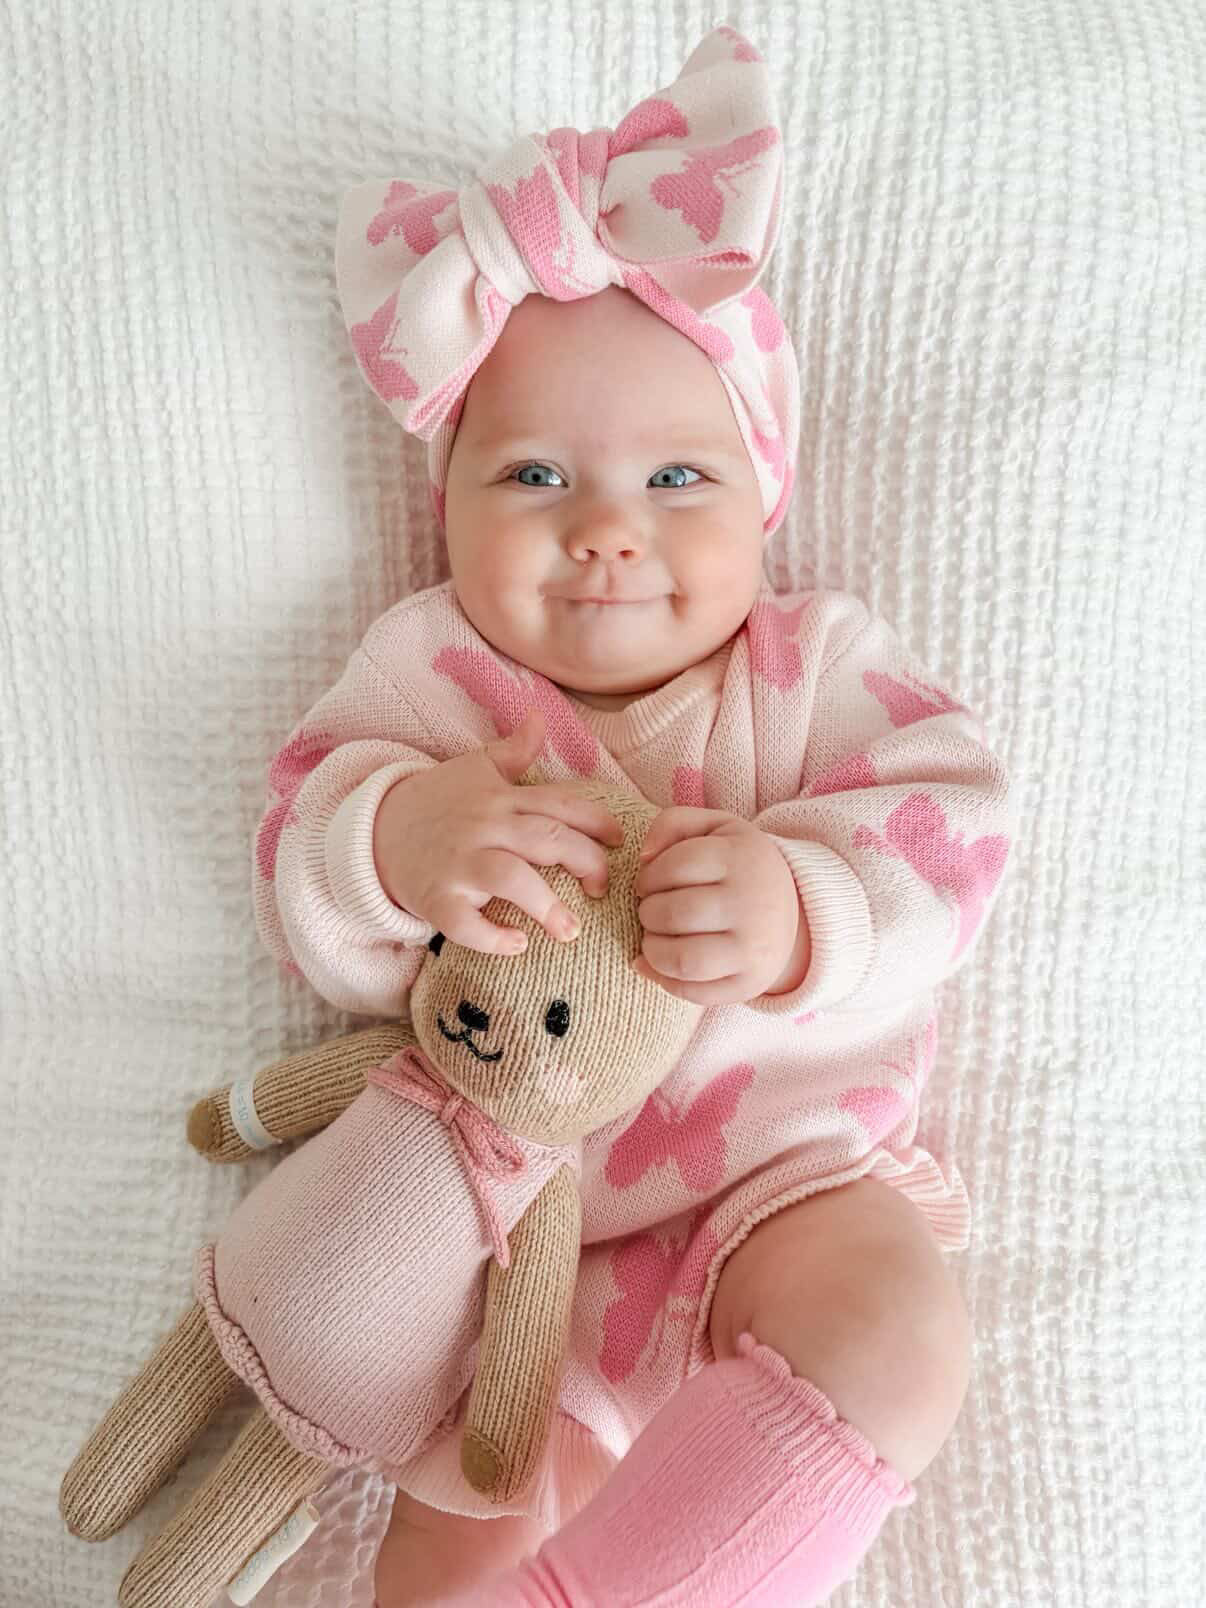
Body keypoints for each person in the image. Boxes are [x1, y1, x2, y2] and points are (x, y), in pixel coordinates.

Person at [252, 25, 1014, 1606]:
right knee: (467, 1520)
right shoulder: (431, 676)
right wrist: (397, 841)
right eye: (534, 477)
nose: (605, 531)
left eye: (675, 481)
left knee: (892, 1332)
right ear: (444, 508)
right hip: (512, 1242)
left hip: (779, 1188)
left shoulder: (810, 670)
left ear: (762, 496)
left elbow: (954, 833)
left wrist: (806, 908)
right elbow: (299, 854)